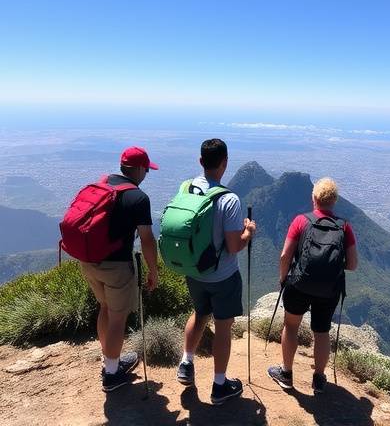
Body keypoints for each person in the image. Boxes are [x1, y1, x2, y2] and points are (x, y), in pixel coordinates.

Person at [176, 138, 256, 405]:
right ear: (225, 163)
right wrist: (248, 232)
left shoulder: (187, 187)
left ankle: (186, 363)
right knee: (223, 327)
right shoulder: (229, 199)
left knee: (199, 314)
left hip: (193, 271)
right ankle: (219, 385)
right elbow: (234, 246)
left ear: (200, 162)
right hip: (223, 276)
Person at [79, 146, 159, 392]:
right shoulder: (138, 197)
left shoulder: (101, 184)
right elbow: (146, 238)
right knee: (118, 318)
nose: (146, 173)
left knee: (104, 308)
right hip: (116, 266)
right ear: (136, 168)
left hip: (88, 261)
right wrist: (153, 270)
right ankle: (112, 374)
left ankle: (110, 360)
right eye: (146, 169)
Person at [267, 177, 358, 394]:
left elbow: (284, 255)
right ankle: (318, 379)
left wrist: (283, 278)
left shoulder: (301, 221)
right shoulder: (344, 227)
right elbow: (353, 264)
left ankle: (286, 373)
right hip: (329, 290)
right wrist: (330, 267)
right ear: (334, 201)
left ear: (314, 198)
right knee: (321, 331)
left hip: (298, 284)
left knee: (291, 326)